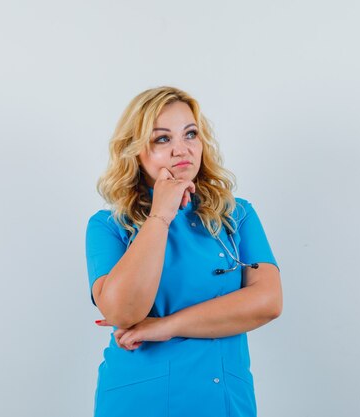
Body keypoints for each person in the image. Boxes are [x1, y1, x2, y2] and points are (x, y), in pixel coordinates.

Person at [85, 86, 283, 417]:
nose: (182, 149)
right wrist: (161, 214)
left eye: (190, 134)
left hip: (221, 399)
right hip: (139, 400)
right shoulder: (109, 225)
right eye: (162, 139)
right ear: (136, 151)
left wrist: (165, 326)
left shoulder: (236, 215)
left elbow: (268, 302)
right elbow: (122, 312)